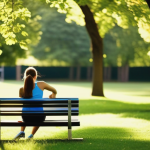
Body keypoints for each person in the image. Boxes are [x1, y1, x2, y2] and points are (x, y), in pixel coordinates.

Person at [13, 67, 57, 140]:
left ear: (25, 77)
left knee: (26, 111)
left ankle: (22, 131)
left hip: (26, 118)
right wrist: (53, 95)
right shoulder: (42, 84)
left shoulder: (22, 89)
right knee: (40, 113)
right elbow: (55, 90)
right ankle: (31, 135)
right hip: (39, 117)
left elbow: (22, 102)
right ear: (35, 76)